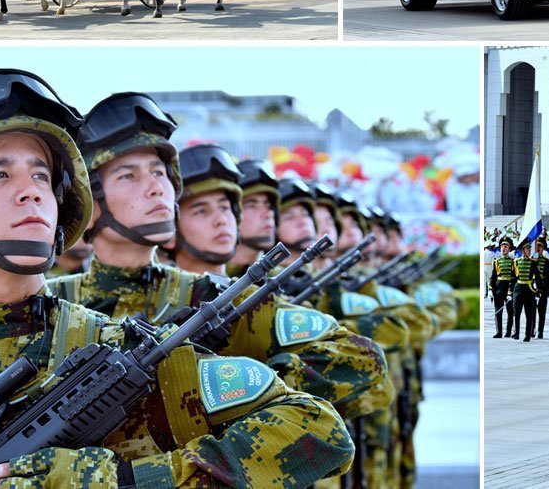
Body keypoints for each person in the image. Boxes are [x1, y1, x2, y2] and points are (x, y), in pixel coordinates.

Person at [0, 70, 355, 485]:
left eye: (43, 177)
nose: (31, 193)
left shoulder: (125, 359)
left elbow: (319, 432)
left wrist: (115, 480)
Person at [47, 92, 387, 421]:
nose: (155, 187)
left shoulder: (214, 298)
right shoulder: (50, 305)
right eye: (128, 175)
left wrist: (242, 389)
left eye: (158, 171)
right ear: (89, 205)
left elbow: (361, 357)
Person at [168, 142, 242, 279]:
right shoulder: (145, 299)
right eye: (201, 211)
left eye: (224, 208)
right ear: (171, 231)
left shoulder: (258, 296)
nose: (221, 220)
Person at [489, 236, 517, 338]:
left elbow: (514, 277)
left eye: (505, 246)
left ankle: (508, 331)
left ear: (509, 249)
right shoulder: (497, 261)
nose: (503, 248)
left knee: (510, 310)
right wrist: (491, 289)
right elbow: (493, 276)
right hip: (499, 287)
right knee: (498, 310)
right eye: (502, 246)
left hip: (509, 287)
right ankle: (499, 331)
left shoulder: (513, 262)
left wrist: (512, 290)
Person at [531, 235, 549, 339]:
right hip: (531, 288)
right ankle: (531, 329)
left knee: (541, 311)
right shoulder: (531, 260)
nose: (538, 248)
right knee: (531, 311)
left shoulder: (547, 261)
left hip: (542, 288)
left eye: (540, 246)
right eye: (536, 246)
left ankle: (540, 331)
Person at [513, 238, 538, 341]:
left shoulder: (533, 262)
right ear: (523, 250)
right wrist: (510, 292)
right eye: (527, 248)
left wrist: (538, 291)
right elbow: (513, 278)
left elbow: (538, 277)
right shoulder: (516, 262)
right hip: (518, 289)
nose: (529, 250)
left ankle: (527, 335)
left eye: (529, 248)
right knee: (516, 313)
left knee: (529, 314)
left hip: (529, 289)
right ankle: (516, 333)